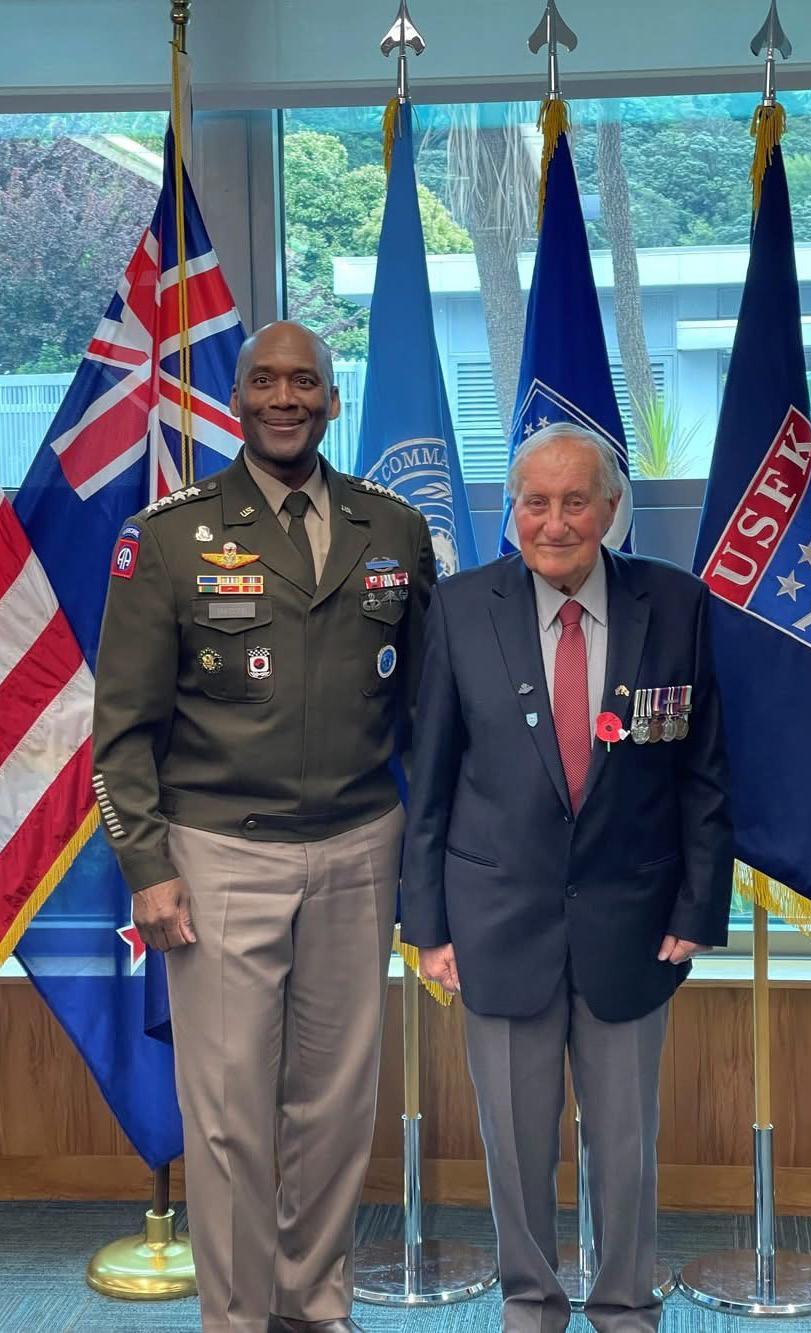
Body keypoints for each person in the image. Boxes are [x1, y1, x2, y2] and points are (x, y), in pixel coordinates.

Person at [92, 321, 436, 1333]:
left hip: (359, 847)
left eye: (305, 382)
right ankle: (239, 1318)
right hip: (219, 853)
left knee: (335, 1107)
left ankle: (312, 1305)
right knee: (231, 1114)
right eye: (265, 381)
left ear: (332, 398)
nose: (286, 398)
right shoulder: (168, 536)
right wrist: (147, 866)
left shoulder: (392, 528)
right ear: (236, 398)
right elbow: (121, 731)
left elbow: (426, 710)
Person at [401, 423, 733, 1333]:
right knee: (514, 1147)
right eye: (535, 502)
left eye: (575, 501)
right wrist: (428, 925)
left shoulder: (676, 603)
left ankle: (624, 1306)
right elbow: (430, 780)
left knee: (625, 1147)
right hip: (496, 922)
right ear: (512, 511)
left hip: (635, 922)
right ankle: (531, 1306)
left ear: (612, 509)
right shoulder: (461, 608)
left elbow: (704, 773)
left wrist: (698, 906)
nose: (554, 522)